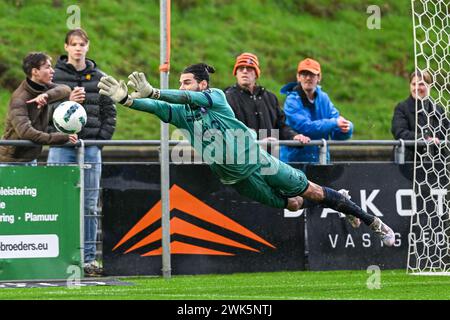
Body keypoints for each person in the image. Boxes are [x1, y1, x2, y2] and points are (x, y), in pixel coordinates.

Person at [97, 63, 395, 247]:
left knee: (314, 190)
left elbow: (185, 97)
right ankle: (337, 201)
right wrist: (126, 99)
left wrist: (155, 92)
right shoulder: (181, 115)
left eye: (185, 81)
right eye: (179, 83)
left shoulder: (215, 98)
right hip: (235, 177)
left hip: (259, 163)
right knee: (292, 204)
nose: (181, 87)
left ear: (202, 84)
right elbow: (154, 107)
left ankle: (372, 222)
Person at [47, 28, 117, 276]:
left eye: (82, 44)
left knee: (88, 204)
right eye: (73, 44)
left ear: (88, 47)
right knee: (58, 202)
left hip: (89, 148)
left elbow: (110, 113)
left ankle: (87, 260)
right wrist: (68, 104)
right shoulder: (52, 76)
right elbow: (44, 113)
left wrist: (99, 141)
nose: (78, 48)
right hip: (60, 147)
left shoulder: (100, 77)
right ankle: (59, 257)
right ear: (66, 47)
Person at [224, 53, 310, 153]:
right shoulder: (227, 98)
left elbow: (281, 126)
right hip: (240, 161)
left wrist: (294, 136)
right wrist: (257, 142)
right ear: (236, 73)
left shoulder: (270, 98)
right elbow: (228, 129)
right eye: (240, 68)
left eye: (249, 68)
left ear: (256, 73)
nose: (244, 71)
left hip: (269, 160)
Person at [0, 52, 77, 163]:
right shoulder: (19, 99)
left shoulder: (44, 87)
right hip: (11, 160)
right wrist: (61, 137)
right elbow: (26, 132)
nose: (52, 71)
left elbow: (66, 89)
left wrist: (47, 95)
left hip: (30, 157)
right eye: (48, 67)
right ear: (35, 72)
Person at [280, 58, 353, 163]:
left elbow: (336, 132)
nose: (308, 78)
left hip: (320, 161)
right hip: (294, 163)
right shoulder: (291, 101)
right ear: (298, 77)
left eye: (312, 75)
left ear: (319, 77)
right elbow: (306, 127)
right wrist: (334, 123)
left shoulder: (324, 98)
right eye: (304, 74)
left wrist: (347, 128)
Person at [391, 70, 448, 161]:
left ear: (429, 85)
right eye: (414, 84)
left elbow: (447, 132)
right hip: (408, 164)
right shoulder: (402, 108)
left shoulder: (438, 109)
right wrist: (424, 138)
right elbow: (399, 132)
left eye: (421, 84)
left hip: (435, 164)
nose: (417, 88)